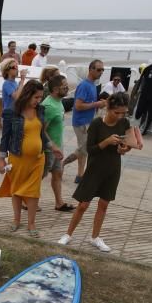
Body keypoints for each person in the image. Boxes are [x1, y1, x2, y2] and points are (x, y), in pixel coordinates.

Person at [58, 93, 132, 252]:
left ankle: (95, 237)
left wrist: (124, 148)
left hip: (113, 168)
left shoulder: (125, 122)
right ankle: (68, 234)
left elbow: (127, 144)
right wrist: (106, 142)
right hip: (94, 168)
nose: (120, 116)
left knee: (104, 205)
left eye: (123, 113)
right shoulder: (97, 123)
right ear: (108, 108)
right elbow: (88, 149)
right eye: (116, 112)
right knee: (83, 205)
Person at [0, 80, 62, 236]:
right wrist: (1, 159)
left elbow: (41, 133)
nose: (38, 101)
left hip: (38, 159)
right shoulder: (11, 111)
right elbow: (5, 138)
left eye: (40, 97)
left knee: (33, 192)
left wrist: (52, 146)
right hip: (17, 159)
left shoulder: (40, 110)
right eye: (36, 97)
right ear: (27, 95)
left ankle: (31, 224)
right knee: (17, 191)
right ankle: (16, 220)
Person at [63, 60, 107, 183]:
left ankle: (80, 175)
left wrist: (99, 105)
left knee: (83, 150)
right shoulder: (84, 85)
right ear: (91, 69)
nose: (101, 72)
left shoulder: (92, 84)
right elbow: (78, 106)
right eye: (98, 69)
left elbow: (89, 103)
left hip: (87, 121)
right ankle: (63, 164)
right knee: (85, 149)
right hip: (81, 122)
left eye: (102, 70)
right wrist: (96, 104)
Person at [41, 75, 74, 212]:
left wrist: (59, 146)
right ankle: (27, 201)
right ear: (55, 89)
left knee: (57, 174)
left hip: (57, 147)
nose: (67, 89)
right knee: (39, 176)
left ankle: (59, 203)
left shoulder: (59, 102)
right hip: (49, 150)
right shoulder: (48, 106)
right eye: (64, 87)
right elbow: (41, 130)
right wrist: (52, 146)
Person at [133, 55, 152, 134]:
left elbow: (141, 81)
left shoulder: (148, 68)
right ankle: (142, 130)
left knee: (142, 112)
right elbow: (141, 81)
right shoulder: (149, 68)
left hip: (146, 95)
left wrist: (136, 91)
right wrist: (136, 91)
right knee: (147, 113)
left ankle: (140, 129)